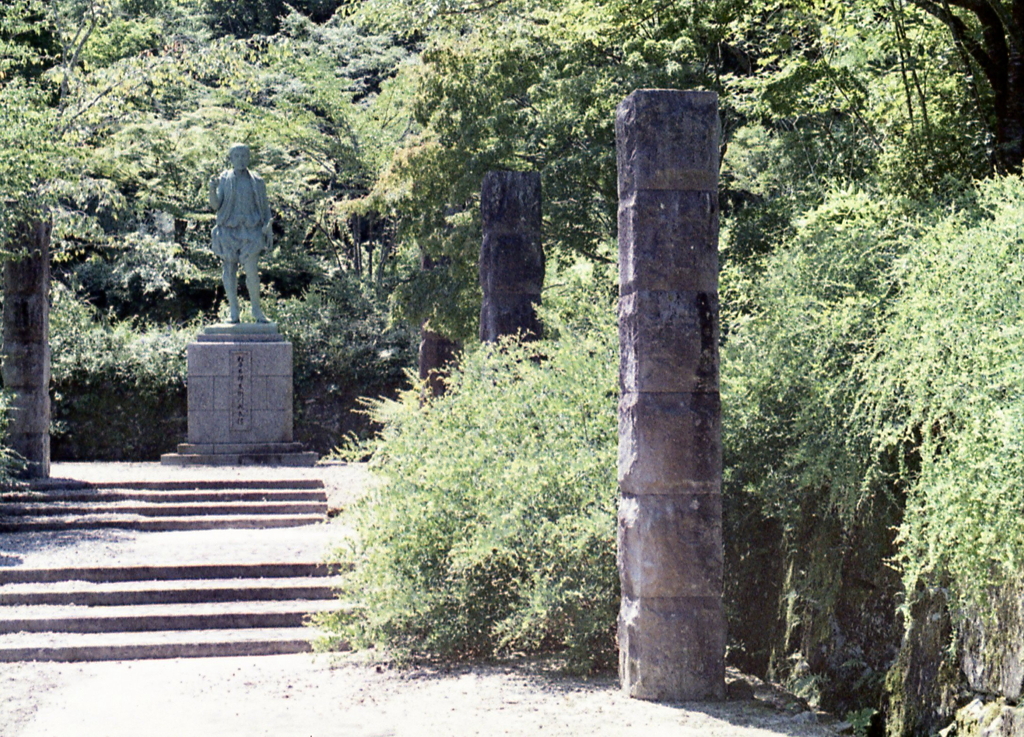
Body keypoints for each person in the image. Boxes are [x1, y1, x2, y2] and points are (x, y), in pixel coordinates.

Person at [209, 143, 272, 323]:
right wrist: (211, 189)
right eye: (236, 156)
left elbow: (265, 207)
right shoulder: (225, 179)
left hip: (251, 230)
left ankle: (257, 311)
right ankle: (234, 311)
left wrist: (268, 227)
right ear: (231, 158)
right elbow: (215, 206)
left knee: (251, 271)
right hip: (229, 230)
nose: (240, 159)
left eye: (244, 156)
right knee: (229, 269)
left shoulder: (257, 181)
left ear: (248, 157)